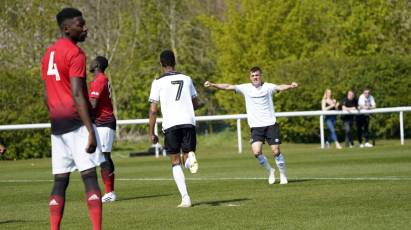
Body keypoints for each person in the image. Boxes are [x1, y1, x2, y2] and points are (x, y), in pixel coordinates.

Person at [41, 8, 104, 230]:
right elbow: (78, 93)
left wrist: (56, 113)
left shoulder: (48, 53)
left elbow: (47, 94)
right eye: (80, 24)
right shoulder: (75, 53)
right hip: (77, 124)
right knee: (89, 178)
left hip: (57, 126)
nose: (85, 27)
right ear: (67, 28)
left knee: (60, 181)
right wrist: (89, 130)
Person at [204, 66, 298, 185]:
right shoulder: (245, 88)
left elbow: (280, 87)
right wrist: (212, 84)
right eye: (253, 76)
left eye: (257, 75)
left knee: (275, 150)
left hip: (270, 124)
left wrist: (290, 86)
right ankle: (270, 171)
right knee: (256, 152)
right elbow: (228, 86)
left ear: (261, 75)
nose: (255, 77)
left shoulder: (268, 87)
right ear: (250, 77)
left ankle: (283, 175)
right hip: (256, 126)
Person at [148, 50, 200, 208]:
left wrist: (151, 132)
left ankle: (186, 198)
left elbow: (153, 110)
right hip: (188, 121)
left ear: (161, 64)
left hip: (171, 124)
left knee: (175, 162)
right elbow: (196, 103)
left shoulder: (157, 82)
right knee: (186, 155)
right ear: (175, 62)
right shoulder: (187, 79)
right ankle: (190, 161)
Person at [89, 56, 117, 202]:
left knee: (105, 157)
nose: (90, 62)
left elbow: (93, 104)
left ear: (97, 65)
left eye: (93, 61)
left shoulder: (100, 79)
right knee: (99, 157)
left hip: (104, 123)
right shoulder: (97, 80)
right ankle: (106, 192)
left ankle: (110, 193)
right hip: (99, 123)